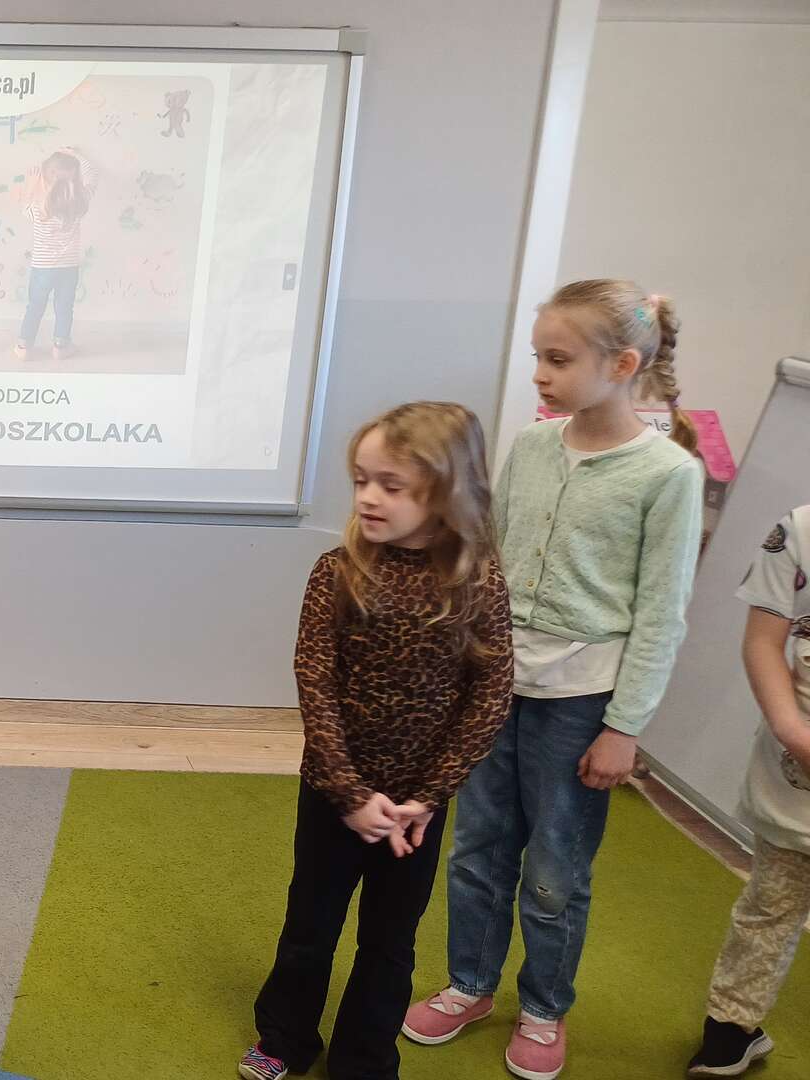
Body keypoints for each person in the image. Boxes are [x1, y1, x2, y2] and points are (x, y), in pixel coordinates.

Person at [405, 280, 704, 1080]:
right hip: (498, 688)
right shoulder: (532, 447)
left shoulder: (667, 475)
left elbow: (662, 613)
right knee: (477, 847)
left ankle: (543, 1007)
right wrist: (463, 671)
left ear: (623, 365)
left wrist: (625, 726)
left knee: (555, 867)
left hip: (582, 704)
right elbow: (489, 564)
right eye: (538, 356)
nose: (540, 374)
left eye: (559, 359)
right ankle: (470, 983)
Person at [239, 403, 513, 1080]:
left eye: (391, 485)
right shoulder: (338, 571)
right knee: (310, 925)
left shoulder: (478, 582)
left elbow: (490, 693)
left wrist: (429, 796)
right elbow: (315, 678)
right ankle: (285, 1037)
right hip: (335, 794)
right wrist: (350, 793)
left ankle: (363, 1059)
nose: (367, 496)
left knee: (390, 942)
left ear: (446, 491)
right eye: (361, 480)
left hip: (417, 809)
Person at [685, 504, 810, 1077]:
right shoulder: (800, 530)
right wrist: (794, 735)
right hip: (799, 768)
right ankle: (730, 1029)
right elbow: (763, 641)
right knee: (771, 905)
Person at [13, 147, 98, 362]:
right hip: (69, 268)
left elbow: (23, 203)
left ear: (44, 179)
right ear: (75, 179)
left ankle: (23, 347)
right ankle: (60, 346)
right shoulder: (80, 203)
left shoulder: (38, 209)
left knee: (35, 306)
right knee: (64, 307)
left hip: (42, 268)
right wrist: (75, 155)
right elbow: (92, 176)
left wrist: (31, 184)